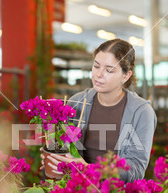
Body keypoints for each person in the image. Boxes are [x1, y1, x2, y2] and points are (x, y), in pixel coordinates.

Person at [42, 38, 157, 183]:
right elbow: (64, 147)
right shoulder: (76, 102)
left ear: (126, 75)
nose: (99, 74)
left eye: (109, 70)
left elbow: (135, 170)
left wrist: (89, 169)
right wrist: (53, 156)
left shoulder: (141, 112)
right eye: (96, 66)